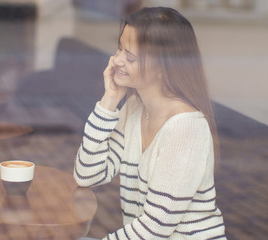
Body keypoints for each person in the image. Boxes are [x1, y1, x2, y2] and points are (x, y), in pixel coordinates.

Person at [74, 6, 226, 240]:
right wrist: (109, 101)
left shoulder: (185, 128)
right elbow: (87, 175)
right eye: (120, 49)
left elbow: (156, 227)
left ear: (163, 68)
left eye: (131, 57)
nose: (117, 61)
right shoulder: (134, 108)